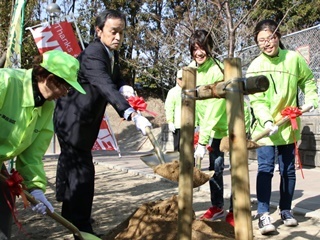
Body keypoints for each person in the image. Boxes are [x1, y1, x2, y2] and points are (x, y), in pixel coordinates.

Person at [53, 9, 152, 238]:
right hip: (73, 121)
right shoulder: (93, 54)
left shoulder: (110, 52)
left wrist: (124, 85)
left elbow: (114, 78)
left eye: (121, 32)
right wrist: (131, 114)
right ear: (99, 31)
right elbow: (105, 85)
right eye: (113, 32)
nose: (118, 37)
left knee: (74, 167)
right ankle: (82, 228)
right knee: (82, 175)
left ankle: (71, 215)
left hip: (82, 123)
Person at [0, 50, 85, 239]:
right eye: (64, 86)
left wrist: (36, 189)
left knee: (4, 206)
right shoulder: (5, 82)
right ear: (47, 77)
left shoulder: (47, 107)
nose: (65, 93)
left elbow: (32, 154)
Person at [246, 19, 318, 235]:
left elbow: (308, 80)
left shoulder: (293, 59)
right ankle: (263, 214)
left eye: (270, 38)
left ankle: (286, 210)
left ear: (278, 36)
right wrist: (267, 120)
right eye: (261, 40)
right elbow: (257, 101)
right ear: (257, 43)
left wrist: (312, 98)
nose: (267, 43)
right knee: (266, 169)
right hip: (267, 128)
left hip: (289, 125)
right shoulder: (255, 66)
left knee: (288, 171)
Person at [190, 29, 234, 226]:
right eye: (195, 49)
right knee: (214, 169)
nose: (198, 53)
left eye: (202, 48)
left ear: (210, 48)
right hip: (211, 129)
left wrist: (203, 139)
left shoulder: (217, 70)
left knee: (237, 169)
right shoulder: (193, 70)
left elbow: (214, 109)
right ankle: (217, 206)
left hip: (229, 126)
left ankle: (235, 209)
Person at [165, 69, 183, 151]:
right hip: (177, 124)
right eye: (180, 79)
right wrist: (170, 121)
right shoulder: (172, 92)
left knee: (190, 148)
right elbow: (169, 107)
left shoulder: (192, 91)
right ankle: (177, 163)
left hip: (190, 124)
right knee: (177, 147)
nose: (182, 81)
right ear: (177, 79)